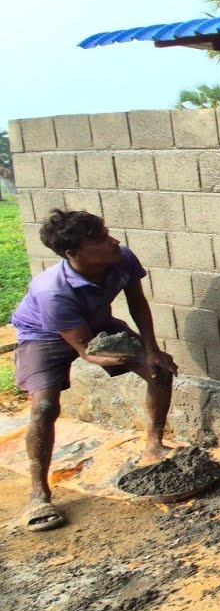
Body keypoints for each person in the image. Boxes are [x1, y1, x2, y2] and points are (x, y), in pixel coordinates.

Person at [12, 209, 178, 532]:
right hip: (45, 336)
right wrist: (121, 357)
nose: (112, 240)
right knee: (45, 407)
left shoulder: (121, 257)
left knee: (159, 370)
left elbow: (138, 304)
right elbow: (87, 350)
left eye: (106, 231)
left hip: (95, 323)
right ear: (75, 253)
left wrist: (150, 350)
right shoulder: (52, 292)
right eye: (100, 239)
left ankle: (153, 446)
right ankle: (39, 494)